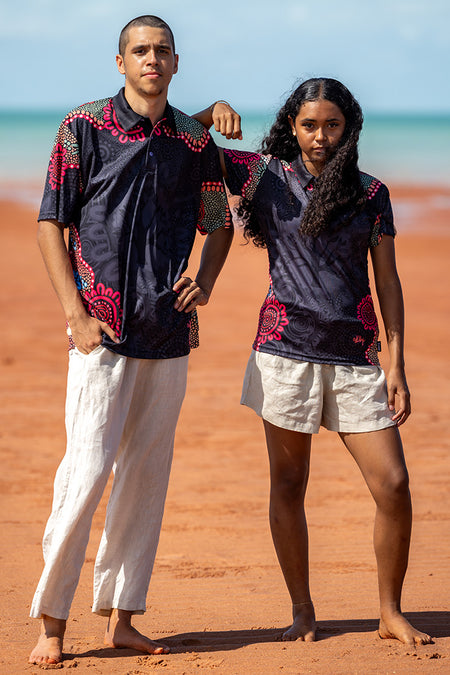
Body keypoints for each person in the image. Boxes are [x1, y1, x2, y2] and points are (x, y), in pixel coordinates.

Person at [195, 79, 433, 647]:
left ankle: (389, 612)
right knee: (288, 484)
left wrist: (397, 365)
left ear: (349, 127)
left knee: (394, 484)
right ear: (291, 126)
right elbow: (181, 139)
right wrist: (210, 111)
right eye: (309, 125)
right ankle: (302, 610)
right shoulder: (263, 177)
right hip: (284, 354)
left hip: (355, 358)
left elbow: (388, 281)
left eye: (331, 125)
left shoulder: (371, 193)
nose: (320, 136)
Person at [29, 15, 233, 666]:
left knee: (145, 480)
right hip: (101, 333)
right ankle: (52, 624)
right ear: (121, 62)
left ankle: (122, 619)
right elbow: (50, 224)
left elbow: (219, 222)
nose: (152, 59)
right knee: (85, 473)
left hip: (167, 333)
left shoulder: (193, 141)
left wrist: (205, 280)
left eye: (161, 51)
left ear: (175, 62)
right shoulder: (83, 128)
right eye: (140, 50)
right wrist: (75, 314)